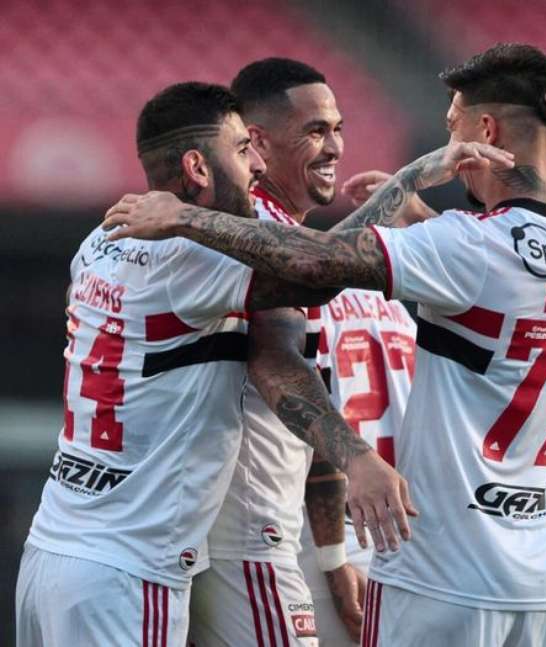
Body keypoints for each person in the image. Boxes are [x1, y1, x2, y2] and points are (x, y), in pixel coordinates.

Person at [104, 44, 546, 646]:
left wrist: (182, 216)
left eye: (452, 127)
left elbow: (314, 266)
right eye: (317, 130)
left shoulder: (459, 247)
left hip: (443, 573)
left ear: (486, 131)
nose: (450, 147)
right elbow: (499, 269)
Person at [15, 82, 413, 647]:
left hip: (52, 551)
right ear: (198, 167)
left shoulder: (97, 243)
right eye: (241, 149)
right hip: (130, 571)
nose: (256, 165)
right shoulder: (194, 257)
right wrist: (411, 182)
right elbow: (324, 269)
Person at [189, 58, 421, 647]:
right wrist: (333, 553)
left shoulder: (330, 253)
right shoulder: (252, 242)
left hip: (369, 528)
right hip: (294, 534)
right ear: (258, 142)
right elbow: (287, 373)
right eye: (316, 131)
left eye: (338, 129)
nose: (336, 147)